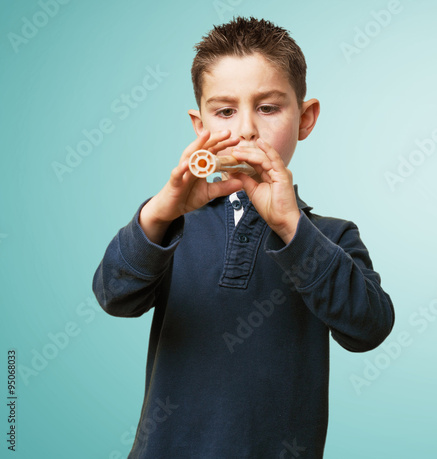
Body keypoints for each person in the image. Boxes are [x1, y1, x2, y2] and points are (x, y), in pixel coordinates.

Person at [93, 16, 395, 458]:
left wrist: (292, 226)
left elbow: (369, 327)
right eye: (225, 111)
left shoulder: (330, 236)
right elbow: (114, 295)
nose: (247, 129)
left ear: (305, 118)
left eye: (268, 108)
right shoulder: (170, 224)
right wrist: (162, 209)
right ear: (200, 126)